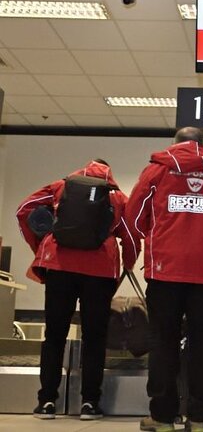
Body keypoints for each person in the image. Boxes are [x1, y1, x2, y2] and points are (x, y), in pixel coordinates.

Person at [125, 127, 203, 432]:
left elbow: (133, 219)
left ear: (174, 145)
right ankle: (198, 419)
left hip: (164, 271)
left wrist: (158, 239)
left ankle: (164, 418)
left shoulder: (156, 172)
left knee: (163, 342)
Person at [16, 159, 140, 421]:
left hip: (58, 266)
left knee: (54, 335)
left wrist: (41, 246)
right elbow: (130, 235)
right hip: (99, 271)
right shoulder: (117, 197)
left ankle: (47, 401)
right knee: (94, 338)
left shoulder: (61, 186)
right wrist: (127, 264)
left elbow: (24, 209)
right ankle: (89, 404)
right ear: (109, 174)